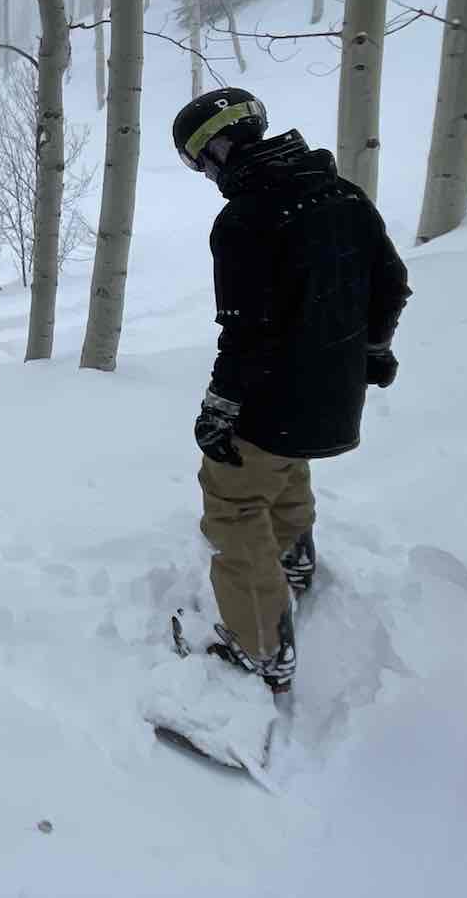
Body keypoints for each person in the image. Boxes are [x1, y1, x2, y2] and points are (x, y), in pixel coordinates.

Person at [170, 88, 411, 694]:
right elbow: (392, 282)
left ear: (218, 151)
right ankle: (291, 560)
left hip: (273, 395)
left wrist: (219, 409)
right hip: (332, 396)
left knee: (233, 504)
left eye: (201, 162)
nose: (206, 175)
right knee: (281, 467)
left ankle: (260, 648)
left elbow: (249, 332)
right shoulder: (341, 194)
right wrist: (373, 351)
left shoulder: (244, 219)